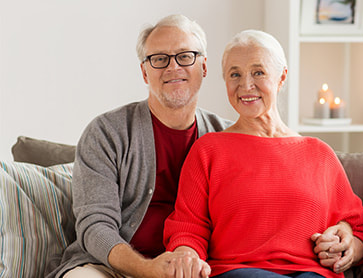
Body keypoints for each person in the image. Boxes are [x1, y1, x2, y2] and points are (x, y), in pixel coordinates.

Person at [163, 30, 363, 278]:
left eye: (258, 72)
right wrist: (186, 255)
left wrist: (348, 245)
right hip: (240, 272)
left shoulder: (319, 153)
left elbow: (357, 228)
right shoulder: (208, 150)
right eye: (235, 75)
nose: (245, 85)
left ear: (281, 77)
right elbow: (188, 229)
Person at [45, 14, 233, 278]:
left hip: (197, 268)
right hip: (109, 267)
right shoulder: (106, 133)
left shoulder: (228, 136)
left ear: (203, 66)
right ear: (145, 72)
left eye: (185, 56)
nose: (173, 67)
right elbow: (95, 226)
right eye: (159, 59)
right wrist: (146, 269)